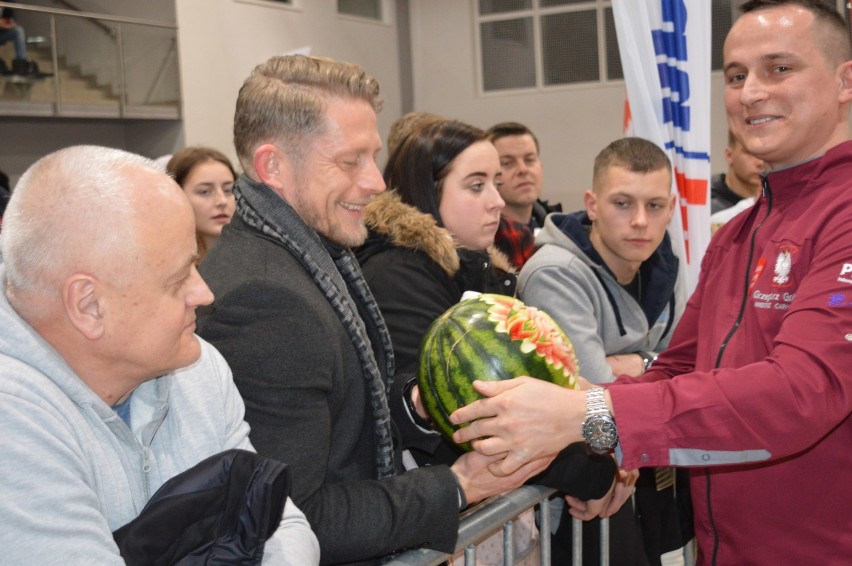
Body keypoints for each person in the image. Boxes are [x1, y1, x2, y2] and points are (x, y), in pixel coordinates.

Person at [451, 2, 852, 564]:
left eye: (779, 68)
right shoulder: (738, 233)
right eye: (736, 75)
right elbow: (679, 367)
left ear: (844, 81)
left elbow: (802, 392)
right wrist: (614, 446)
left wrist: (590, 415)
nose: (751, 92)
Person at [197, 54, 551, 566]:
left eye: (373, 157)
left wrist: (419, 401)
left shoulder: (307, 255)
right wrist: (457, 485)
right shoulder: (266, 300)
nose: (375, 183)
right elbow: (295, 516)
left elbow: (343, 413)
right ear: (273, 166)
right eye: (349, 161)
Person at [0, 145, 319, 564]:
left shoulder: (196, 366)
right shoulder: (13, 421)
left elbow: (280, 525)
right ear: (89, 305)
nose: (204, 294)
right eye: (176, 280)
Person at [356, 119, 622, 565]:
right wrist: (596, 466)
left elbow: (547, 387)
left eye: (495, 184)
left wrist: (608, 440)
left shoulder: (475, 271)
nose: (497, 202)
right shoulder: (399, 276)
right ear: (426, 191)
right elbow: (475, 417)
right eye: (476, 185)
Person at [518, 137, 690, 565]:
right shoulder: (554, 272)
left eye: (654, 206)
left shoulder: (665, 262)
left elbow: (691, 374)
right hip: (577, 503)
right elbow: (595, 399)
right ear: (592, 204)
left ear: (671, 209)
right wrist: (655, 370)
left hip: (645, 485)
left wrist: (638, 366)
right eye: (622, 204)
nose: (639, 222)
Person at [486, 121, 562, 268]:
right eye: (507, 163)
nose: (522, 170)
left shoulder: (559, 227)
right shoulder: (483, 240)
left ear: (541, 166)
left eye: (529, 160)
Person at [166, 146, 237, 262]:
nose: (222, 201)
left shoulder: (256, 256)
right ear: (177, 196)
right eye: (204, 192)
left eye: (228, 190)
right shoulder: (168, 268)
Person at [710, 130, 765, 215]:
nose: (760, 163)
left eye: (766, 154)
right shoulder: (704, 204)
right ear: (729, 155)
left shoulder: (779, 205)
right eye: (750, 153)